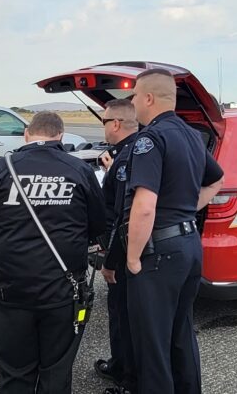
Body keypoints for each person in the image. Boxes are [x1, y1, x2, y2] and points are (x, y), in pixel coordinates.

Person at [0, 111, 106, 394]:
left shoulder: (0, 169)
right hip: (62, 290)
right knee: (56, 372)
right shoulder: (79, 170)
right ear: (60, 136)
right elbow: (98, 226)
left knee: (15, 372)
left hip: (12, 290)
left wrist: (9, 236)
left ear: (26, 134)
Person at [123, 69, 224, 394]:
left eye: (134, 96)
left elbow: (145, 206)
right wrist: (188, 207)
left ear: (148, 98)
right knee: (181, 334)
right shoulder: (191, 136)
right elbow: (217, 180)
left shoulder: (150, 139)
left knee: (152, 345)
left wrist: (133, 258)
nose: (132, 103)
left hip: (159, 253)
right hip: (189, 245)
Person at [91, 99, 139, 393]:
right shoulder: (134, 152)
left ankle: (125, 376)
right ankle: (125, 367)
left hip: (121, 250)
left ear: (116, 124)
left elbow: (120, 215)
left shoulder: (124, 159)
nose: (104, 127)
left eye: (105, 122)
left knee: (122, 314)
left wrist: (109, 259)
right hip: (141, 248)